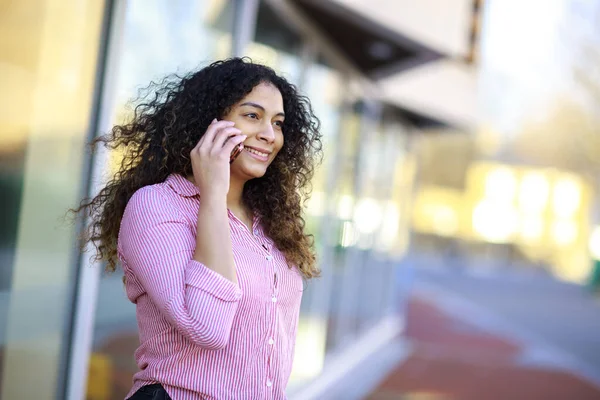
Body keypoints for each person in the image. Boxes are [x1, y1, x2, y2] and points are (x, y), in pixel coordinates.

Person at [76, 58, 322, 400]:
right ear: (210, 123)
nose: (269, 135)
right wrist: (213, 196)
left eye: (278, 123)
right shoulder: (157, 206)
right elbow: (206, 326)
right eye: (253, 115)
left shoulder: (270, 222)